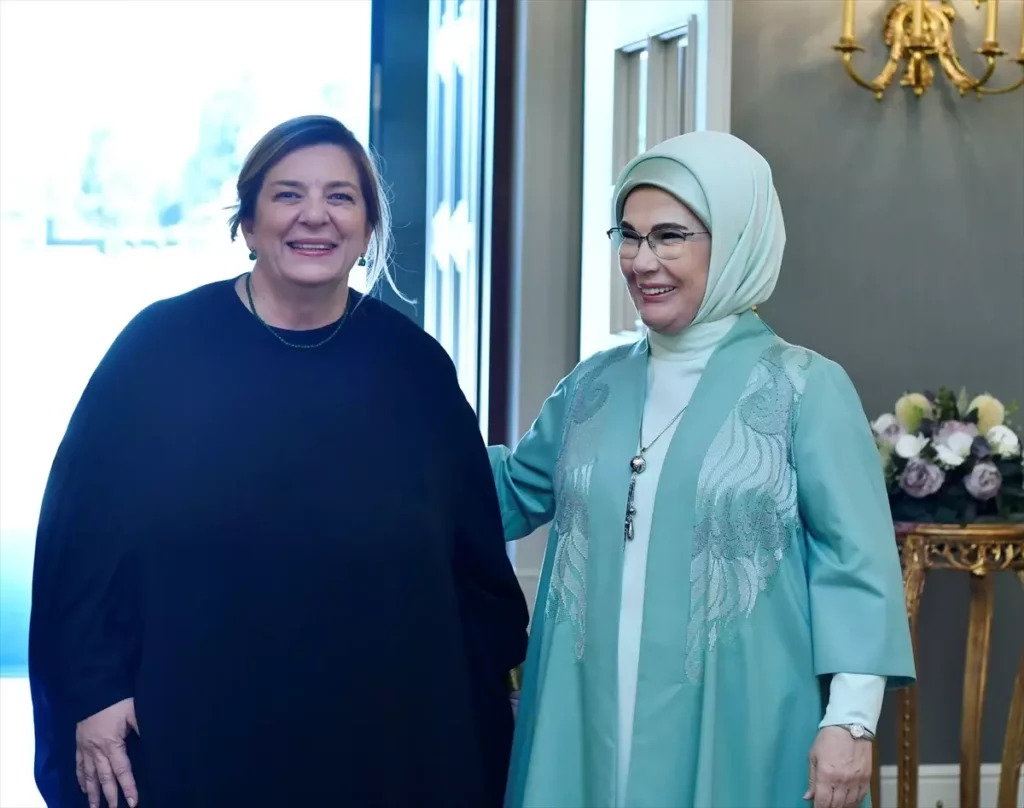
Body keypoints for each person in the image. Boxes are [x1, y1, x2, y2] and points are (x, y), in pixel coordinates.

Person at [29, 114, 529, 808]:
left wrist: (503, 693)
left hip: (382, 735)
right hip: (190, 725)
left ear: (367, 227)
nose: (314, 216)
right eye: (288, 194)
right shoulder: (158, 352)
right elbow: (79, 542)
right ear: (248, 222)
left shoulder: (415, 369)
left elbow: (473, 560)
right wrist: (93, 690)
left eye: (340, 196)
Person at [489, 131, 915, 808]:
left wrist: (851, 722)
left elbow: (857, 564)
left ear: (738, 240)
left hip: (745, 719)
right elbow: (503, 494)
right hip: (586, 713)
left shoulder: (803, 388)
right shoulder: (591, 387)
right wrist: (397, 430)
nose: (641, 261)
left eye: (669, 236)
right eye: (629, 236)